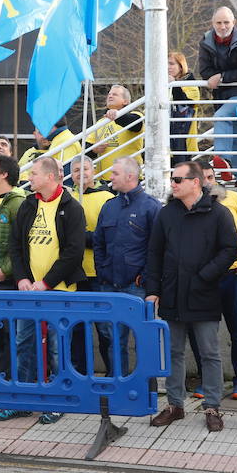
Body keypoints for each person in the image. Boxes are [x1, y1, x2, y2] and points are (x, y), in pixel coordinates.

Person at [146, 161, 237, 432]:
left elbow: (230, 250)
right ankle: (175, 404)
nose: (172, 184)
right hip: (172, 293)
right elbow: (154, 254)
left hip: (203, 294)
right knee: (173, 351)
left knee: (209, 353)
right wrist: (153, 290)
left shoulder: (219, 213)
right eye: (172, 179)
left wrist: (204, 276)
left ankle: (212, 406)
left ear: (195, 182)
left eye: (177, 179)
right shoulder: (167, 214)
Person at [0, 156, 86, 425]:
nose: (29, 178)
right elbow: (16, 245)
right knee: (24, 342)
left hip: (59, 291)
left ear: (50, 176)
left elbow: (73, 253)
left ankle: (58, 399)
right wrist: (21, 278)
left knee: (57, 347)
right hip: (28, 291)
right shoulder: (28, 204)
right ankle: (23, 399)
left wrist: (47, 282)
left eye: (33, 173)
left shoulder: (71, 207)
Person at [193, 161, 237, 401]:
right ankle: (207, 380)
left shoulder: (233, 199)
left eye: (211, 176)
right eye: (204, 178)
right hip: (203, 278)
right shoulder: (189, 206)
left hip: (233, 276)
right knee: (201, 331)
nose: (209, 182)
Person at [93, 157, 161, 375]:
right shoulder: (109, 206)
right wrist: (103, 272)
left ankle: (144, 386)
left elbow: (158, 248)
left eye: (115, 173)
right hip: (110, 285)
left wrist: (146, 279)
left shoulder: (151, 207)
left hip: (137, 287)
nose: (110, 177)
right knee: (113, 339)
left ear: (130, 176)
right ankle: (117, 386)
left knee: (144, 339)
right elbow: (99, 243)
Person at [198, 6, 237, 186]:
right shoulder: (206, 41)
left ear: (234, 23)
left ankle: (223, 159)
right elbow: (204, 71)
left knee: (222, 116)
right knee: (234, 134)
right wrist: (216, 77)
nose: (223, 26)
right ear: (213, 24)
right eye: (219, 22)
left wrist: (222, 76)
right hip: (223, 95)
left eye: (226, 22)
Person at [68, 157, 114, 287]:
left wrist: (79, 237)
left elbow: (108, 236)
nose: (81, 173)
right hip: (71, 270)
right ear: (71, 175)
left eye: (85, 169)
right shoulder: (67, 198)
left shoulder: (107, 198)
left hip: (96, 270)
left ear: (93, 171)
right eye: (76, 170)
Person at [0, 155, 26, 292]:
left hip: (8, 278)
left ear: (3, 174)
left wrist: (6, 269)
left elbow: (22, 241)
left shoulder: (17, 202)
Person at [86, 85, 144, 181]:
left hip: (129, 178)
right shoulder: (100, 122)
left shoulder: (136, 115)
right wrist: (94, 150)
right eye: (109, 94)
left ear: (125, 101)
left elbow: (135, 125)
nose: (110, 96)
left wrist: (117, 114)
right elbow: (85, 149)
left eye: (115, 94)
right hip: (105, 180)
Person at [168, 52, 201, 165]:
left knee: (182, 176)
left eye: (171, 64)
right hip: (166, 139)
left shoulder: (191, 85)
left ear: (181, 67)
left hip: (183, 141)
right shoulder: (163, 85)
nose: (168, 67)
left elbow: (185, 106)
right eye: (166, 64)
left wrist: (174, 85)